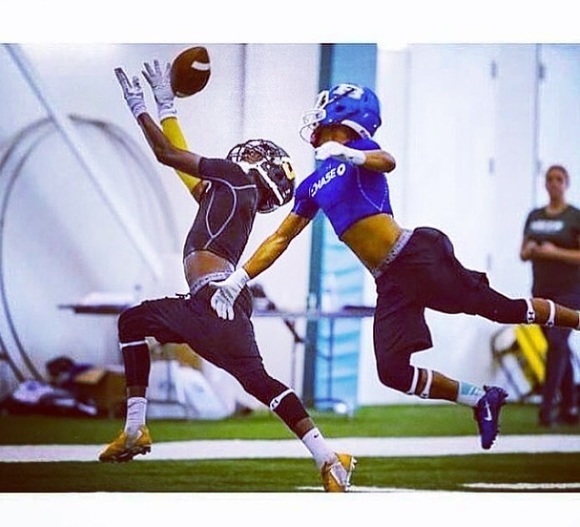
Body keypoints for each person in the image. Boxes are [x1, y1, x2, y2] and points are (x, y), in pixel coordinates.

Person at [210, 83, 580, 451]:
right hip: (389, 280)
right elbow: (280, 237)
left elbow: (387, 161)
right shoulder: (311, 184)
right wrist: (239, 277)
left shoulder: (361, 150)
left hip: (416, 256)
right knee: (392, 372)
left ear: (345, 114)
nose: (317, 116)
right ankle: (480, 398)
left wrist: (349, 155)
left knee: (502, 309)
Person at [98, 60, 356, 492]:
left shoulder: (235, 177)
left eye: (256, 155)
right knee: (261, 383)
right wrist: (167, 106)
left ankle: (135, 428)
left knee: (131, 322)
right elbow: (187, 174)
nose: (247, 154)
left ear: (261, 167)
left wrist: (138, 106)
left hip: (208, 298)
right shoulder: (234, 195)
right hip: (227, 304)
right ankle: (329, 459)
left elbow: (167, 155)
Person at [520, 165, 580, 426]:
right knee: (558, 346)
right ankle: (570, 406)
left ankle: (546, 409)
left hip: (570, 292)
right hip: (541, 292)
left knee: (557, 342)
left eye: (559, 179)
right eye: (550, 179)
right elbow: (522, 253)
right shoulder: (534, 216)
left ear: (566, 183)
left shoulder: (574, 217)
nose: (554, 183)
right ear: (544, 184)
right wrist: (531, 250)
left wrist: (555, 252)